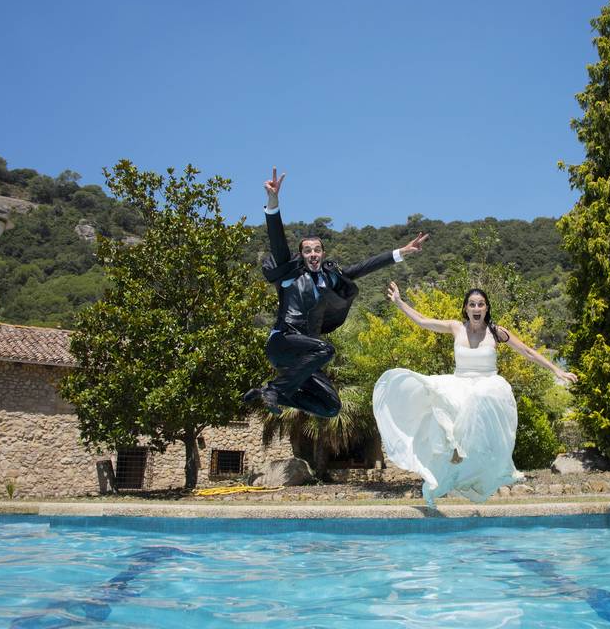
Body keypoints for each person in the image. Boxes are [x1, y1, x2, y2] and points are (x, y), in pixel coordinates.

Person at [243, 168, 429, 418]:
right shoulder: (290, 275)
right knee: (326, 350)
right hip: (284, 343)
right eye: (307, 251)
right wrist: (273, 201)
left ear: (323, 253)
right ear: (301, 255)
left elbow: (365, 267)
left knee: (331, 407)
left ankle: (270, 392)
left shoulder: (331, 277)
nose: (312, 254)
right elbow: (277, 237)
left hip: (306, 356)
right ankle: (276, 389)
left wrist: (401, 252)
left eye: (317, 250)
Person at [373, 283, 577, 506]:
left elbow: (527, 351)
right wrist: (400, 303)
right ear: (466, 309)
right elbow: (422, 321)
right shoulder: (455, 328)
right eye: (472, 305)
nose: (476, 308)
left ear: (487, 308)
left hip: (488, 385)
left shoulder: (496, 332)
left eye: (480, 304)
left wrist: (557, 370)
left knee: (479, 396)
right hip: (460, 382)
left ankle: (470, 454)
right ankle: (455, 449)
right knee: (434, 392)